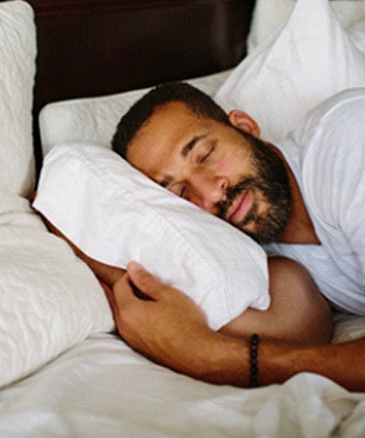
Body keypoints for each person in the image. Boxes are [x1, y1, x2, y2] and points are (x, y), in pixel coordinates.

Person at [104, 82, 365, 390]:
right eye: (181, 193)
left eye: (206, 155)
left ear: (245, 126)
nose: (212, 192)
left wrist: (211, 357)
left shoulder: (345, 141)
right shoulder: (253, 253)